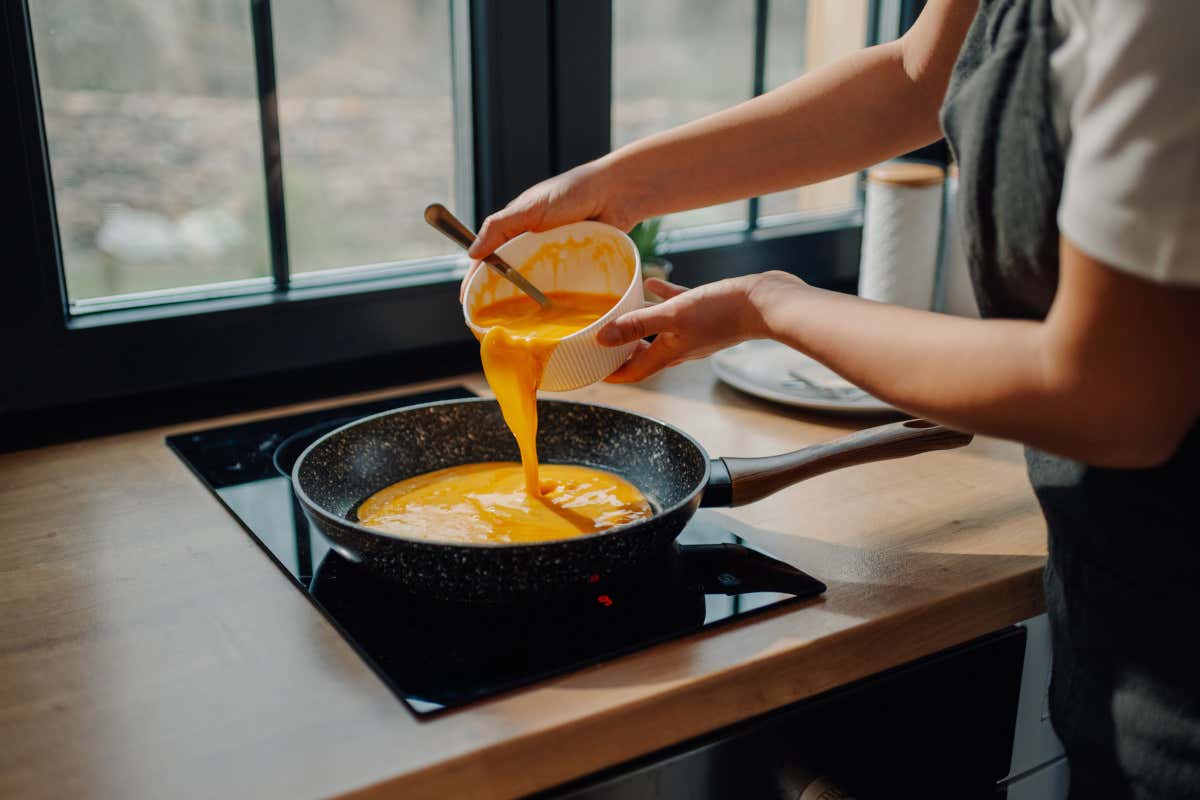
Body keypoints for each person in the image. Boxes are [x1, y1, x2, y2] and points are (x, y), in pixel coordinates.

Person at [462, 2, 1200, 796]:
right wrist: (617, 186)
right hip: (1110, 590)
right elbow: (916, 75)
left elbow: (1114, 398)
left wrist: (769, 305)